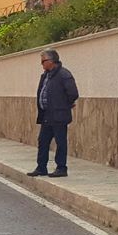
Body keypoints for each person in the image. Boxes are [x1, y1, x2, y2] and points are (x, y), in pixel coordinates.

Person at [28, 48, 79, 179]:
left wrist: (64, 105)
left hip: (59, 115)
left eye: (43, 61)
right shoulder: (45, 76)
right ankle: (41, 167)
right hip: (47, 115)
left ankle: (61, 168)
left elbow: (73, 93)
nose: (42, 64)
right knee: (43, 141)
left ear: (51, 61)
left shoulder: (63, 74)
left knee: (60, 141)